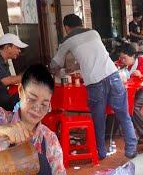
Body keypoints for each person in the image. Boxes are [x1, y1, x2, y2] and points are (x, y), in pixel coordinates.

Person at [51, 14, 138, 160]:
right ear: (81, 23)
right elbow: (92, 55)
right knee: (123, 115)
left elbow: (55, 65)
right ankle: (131, 149)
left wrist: (56, 70)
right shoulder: (94, 32)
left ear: (66, 27)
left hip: (95, 82)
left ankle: (101, 153)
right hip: (113, 75)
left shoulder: (67, 41)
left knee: (98, 119)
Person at [117, 43, 143, 150]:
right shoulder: (121, 64)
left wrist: (141, 75)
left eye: (124, 58)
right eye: (121, 58)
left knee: (134, 107)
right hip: (130, 90)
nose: (122, 60)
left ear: (133, 56)